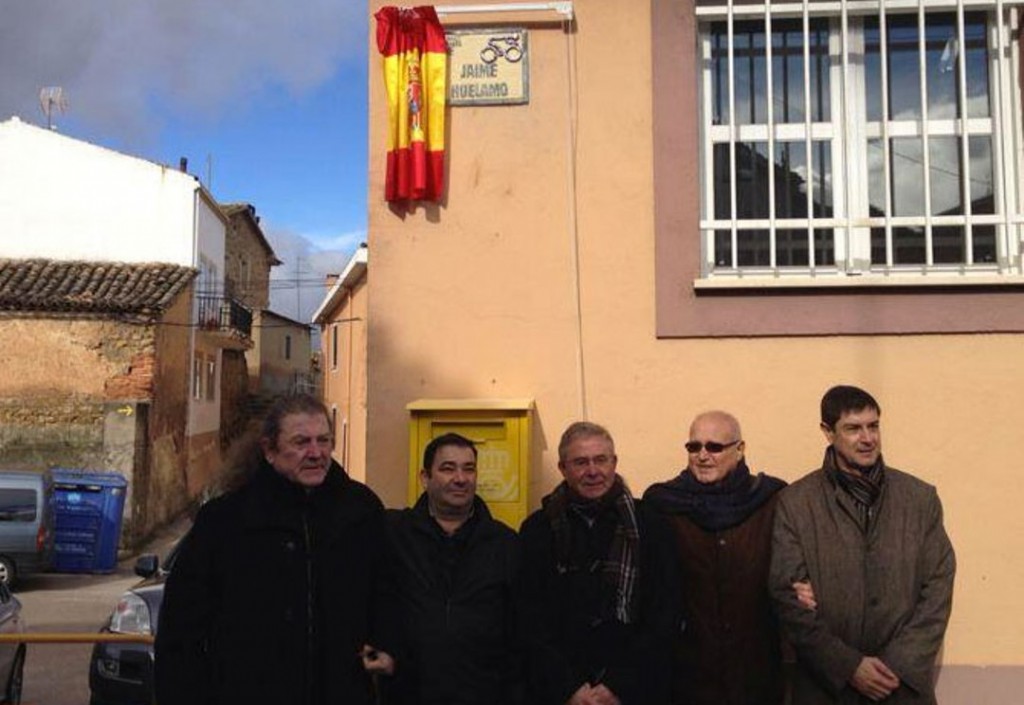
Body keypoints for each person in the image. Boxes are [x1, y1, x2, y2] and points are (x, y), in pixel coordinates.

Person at [154, 393, 399, 705]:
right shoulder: (226, 521)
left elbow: (387, 591)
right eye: (301, 442)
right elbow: (181, 629)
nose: (316, 453)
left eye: (323, 441)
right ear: (270, 450)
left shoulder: (360, 511)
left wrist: (388, 646)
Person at [770, 385, 956, 705]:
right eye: (853, 428)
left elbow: (938, 586)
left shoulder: (919, 498)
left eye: (874, 426)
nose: (867, 438)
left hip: (902, 688)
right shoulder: (796, 503)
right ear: (828, 432)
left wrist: (895, 667)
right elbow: (788, 596)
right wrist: (848, 667)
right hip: (826, 689)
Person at [518, 421, 678, 705]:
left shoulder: (650, 525)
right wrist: (568, 688)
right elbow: (529, 616)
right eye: (581, 462)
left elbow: (664, 614)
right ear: (562, 468)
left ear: (614, 463)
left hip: (635, 690)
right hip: (560, 692)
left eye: (601, 460)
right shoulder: (537, 530)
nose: (593, 471)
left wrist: (617, 686)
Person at [644, 411, 787, 705]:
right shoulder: (663, 506)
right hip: (688, 674)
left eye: (714, 447)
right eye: (694, 447)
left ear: (740, 449)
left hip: (756, 672)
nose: (703, 456)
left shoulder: (772, 501)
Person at [386, 432, 521, 705]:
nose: (460, 478)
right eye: (448, 468)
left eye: (468, 469)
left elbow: (520, 626)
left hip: (484, 694)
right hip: (407, 693)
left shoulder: (504, 543)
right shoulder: (394, 534)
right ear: (425, 478)